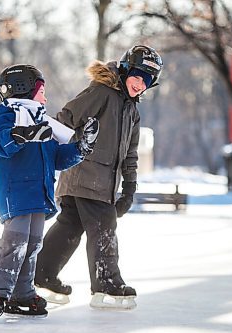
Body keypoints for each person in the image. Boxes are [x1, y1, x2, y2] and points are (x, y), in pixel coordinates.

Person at [35, 45, 163, 310]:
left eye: (146, 81)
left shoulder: (132, 112)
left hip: (98, 182)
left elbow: (130, 155)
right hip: (85, 175)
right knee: (104, 227)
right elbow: (66, 118)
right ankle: (107, 284)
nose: (140, 85)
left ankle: (42, 275)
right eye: (137, 76)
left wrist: (129, 189)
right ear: (127, 70)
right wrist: (63, 154)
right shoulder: (102, 93)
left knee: (70, 226)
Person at [0, 64, 99, 321]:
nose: (45, 98)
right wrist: (24, 134)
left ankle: (22, 293)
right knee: (15, 241)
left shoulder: (42, 120)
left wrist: (83, 146)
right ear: (23, 89)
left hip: (38, 192)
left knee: (33, 244)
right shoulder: (5, 115)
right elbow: (0, 143)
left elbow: (57, 156)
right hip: (15, 191)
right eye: (41, 91)